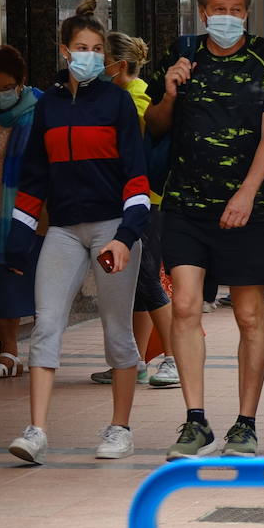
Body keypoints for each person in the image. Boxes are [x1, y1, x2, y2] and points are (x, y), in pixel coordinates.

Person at [144, 0, 264, 460]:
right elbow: (155, 128)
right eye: (218, 10)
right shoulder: (182, 55)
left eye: (236, 10)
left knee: (249, 314)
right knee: (185, 306)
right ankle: (195, 421)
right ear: (203, 12)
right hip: (186, 203)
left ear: (246, 12)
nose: (227, 18)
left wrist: (247, 193)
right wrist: (168, 91)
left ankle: (245, 424)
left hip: (248, 206)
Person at [6, 2, 149, 464]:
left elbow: (136, 176)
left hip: (112, 229)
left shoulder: (118, 102)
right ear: (65, 51)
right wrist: (18, 241)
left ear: (104, 56)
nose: (87, 56)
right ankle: (36, 431)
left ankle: (119, 429)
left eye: (95, 50)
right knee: (46, 325)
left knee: (116, 332)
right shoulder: (47, 106)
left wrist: (126, 237)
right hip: (64, 231)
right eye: (79, 48)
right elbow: (34, 180)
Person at [91, 31, 179, 387]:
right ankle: (136, 361)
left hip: (144, 204)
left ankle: (174, 358)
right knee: (138, 288)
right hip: (130, 203)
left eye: (99, 56)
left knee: (147, 280)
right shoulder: (125, 96)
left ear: (118, 64)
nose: (94, 64)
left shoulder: (136, 100)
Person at [0, 45, 40, 381]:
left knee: (38, 281)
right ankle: (8, 349)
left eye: (5, 87)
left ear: (20, 81)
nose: (0, 94)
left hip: (32, 212)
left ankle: (43, 350)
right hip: (0, 211)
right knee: (5, 282)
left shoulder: (40, 109)